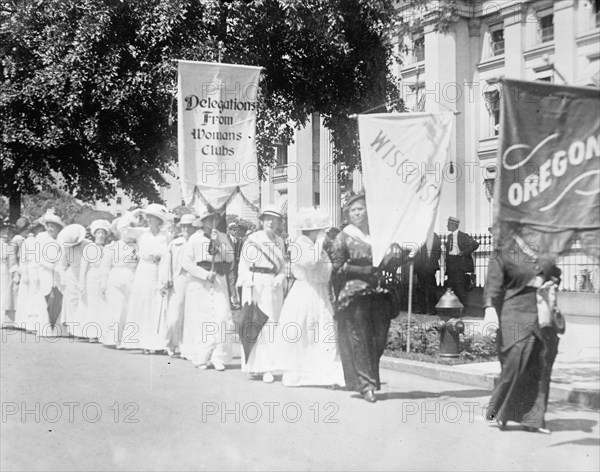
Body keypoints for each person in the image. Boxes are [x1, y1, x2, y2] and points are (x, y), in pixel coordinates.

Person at [483, 231, 561, 434]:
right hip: (514, 310)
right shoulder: (504, 249)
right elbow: (493, 283)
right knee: (514, 359)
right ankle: (500, 411)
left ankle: (533, 419)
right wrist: (490, 309)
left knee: (541, 362)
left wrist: (549, 281)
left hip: (541, 312)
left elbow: (556, 272)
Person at [331, 193, 401, 402]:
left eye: (361, 209)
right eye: (353, 210)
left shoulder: (377, 235)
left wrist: (399, 255)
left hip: (378, 292)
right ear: (348, 215)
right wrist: (363, 271)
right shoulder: (342, 237)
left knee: (378, 338)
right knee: (359, 337)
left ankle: (369, 378)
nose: (357, 213)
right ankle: (365, 384)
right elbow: (337, 267)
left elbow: (387, 263)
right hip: (354, 293)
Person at [275, 207, 345, 388]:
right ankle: (298, 374)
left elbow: (326, 269)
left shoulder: (317, 247)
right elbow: (309, 263)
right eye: (320, 230)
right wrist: (319, 243)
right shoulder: (299, 244)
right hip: (305, 292)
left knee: (324, 330)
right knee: (303, 331)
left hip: (319, 292)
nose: (323, 234)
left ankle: (326, 374)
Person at [237, 204, 286, 383]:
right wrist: (247, 279)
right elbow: (243, 265)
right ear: (262, 220)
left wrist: (281, 277)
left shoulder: (280, 241)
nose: (271, 222)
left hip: (273, 286)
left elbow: (282, 267)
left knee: (271, 324)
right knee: (255, 322)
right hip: (255, 284)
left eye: (275, 219)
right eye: (268, 218)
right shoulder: (252, 239)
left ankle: (268, 367)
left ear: (280, 222)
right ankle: (254, 366)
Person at [180, 210, 234, 370]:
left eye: (214, 219)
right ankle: (202, 357)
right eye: (208, 220)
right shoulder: (194, 239)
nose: (212, 223)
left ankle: (219, 357)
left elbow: (230, 258)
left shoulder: (223, 237)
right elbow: (187, 263)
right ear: (202, 223)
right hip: (201, 282)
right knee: (203, 320)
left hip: (219, 279)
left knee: (222, 317)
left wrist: (219, 243)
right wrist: (204, 274)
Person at [119, 204, 171, 354]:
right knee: (143, 303)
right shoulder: (141, 233)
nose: (148, 219)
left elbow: (168, 253)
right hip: (145, 269)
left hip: (160, 269)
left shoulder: (165, 235)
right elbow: (122, 228)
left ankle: (157, 343)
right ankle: (142, 342)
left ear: (159, 220)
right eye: (147, 216)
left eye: (152, 217)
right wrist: (134, 213)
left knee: (158, 305)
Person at [99, 214, 139, 346]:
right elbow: (105, 266)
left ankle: (127, 339)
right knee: (118, 307)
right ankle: (113, 338)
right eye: (125, 230)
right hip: (115, 278)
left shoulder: (137, 247)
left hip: (132, 278)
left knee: (129, 308)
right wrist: (103, 284)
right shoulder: (113, 246)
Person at [160, 213, 195, 357]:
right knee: (174, 314)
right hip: (178, 280)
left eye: (189, 226)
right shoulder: (175, 243)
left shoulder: (197, 242)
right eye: (184, 226)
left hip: (194, 281)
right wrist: (165, 281)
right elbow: (166, 264)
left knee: (190, 315)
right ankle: (170, 343)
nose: (186, 229)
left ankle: (186, 346)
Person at [30, 209, 67, 337]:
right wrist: (46, 266)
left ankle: (55, 327)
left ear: (58, 228)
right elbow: (37, 257)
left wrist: (60, 268)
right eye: (49, 226)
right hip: (44, 271)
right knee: (44, 298)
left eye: (53, 227)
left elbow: (63, 258)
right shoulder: (41, 238)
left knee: (57, 298)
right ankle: (44, 328)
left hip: (57, 274)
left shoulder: (61, 240)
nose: (51, 229)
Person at [78, 219, 112, 341]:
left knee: (103, 303)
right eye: (98, 233)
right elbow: (83, 266)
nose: (101, 235)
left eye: (103, 233)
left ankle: (102, 333)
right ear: (94, 234)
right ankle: (92, 332)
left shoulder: (108, 248)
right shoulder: (89, 247)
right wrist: (81, 282)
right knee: (92, 303)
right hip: (92, 276)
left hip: (104, 277)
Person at [56, 224, 91, 339]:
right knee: (72, 301)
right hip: (72, 275)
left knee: (85, 300)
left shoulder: (88, 244)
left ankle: (84, 328)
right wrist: (63, 278)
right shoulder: (66, 247)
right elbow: (61, 265)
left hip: (86, 274)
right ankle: (73, 328)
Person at [13, 218, 45, 331]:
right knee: (27, 296)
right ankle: (26, 323)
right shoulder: (26, 242)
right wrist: (24, 273)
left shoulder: (40, 242)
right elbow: (23, 260)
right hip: (29, 270)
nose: (37, 231)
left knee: (35, 297)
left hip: (37, 271)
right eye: (36, 229)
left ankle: (34, 323)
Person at [444, 216, 479, 304]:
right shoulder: (449, 237)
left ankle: (461, 308)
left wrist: (464, 253)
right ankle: (454, 308)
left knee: (460, 288)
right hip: (451, 264)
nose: (447, 226)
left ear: (453, 225)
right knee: (451, 288)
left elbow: (475, 244)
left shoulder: (463, 236)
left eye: (448, 224)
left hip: (459, 265)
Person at [414, 232, 442, 315]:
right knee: (420, 289)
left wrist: (431, 263)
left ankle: (432, 309)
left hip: (429, 267)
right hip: (420, 267)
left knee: (431, 289)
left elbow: (438, 252)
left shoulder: (434, 236)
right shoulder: (419, 235)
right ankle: (422, 309)